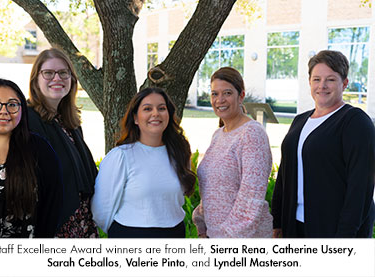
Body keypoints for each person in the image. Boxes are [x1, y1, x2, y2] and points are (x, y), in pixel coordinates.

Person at [272, 50, 375, 238]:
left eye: (331, 79)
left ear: (344, 83)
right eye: (317, 79)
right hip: (295, 225)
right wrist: (277, 221)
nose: (322, 86)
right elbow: (284, 173)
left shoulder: (355, 122)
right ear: (309, 82)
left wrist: (345, 236)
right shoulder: (299, 121)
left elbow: (360, 187)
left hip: (333, 229)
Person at [91, 87, 195, 238]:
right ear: (135, 118)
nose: (155, 113)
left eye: (161, 108)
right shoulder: (121, 156)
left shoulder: (180, 153)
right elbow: (101, 209)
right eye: (147, 109)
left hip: (174, 234)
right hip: (131, 236)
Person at [192, 67, 273, 238]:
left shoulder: (251, 134)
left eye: (227, 93)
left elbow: (251, 198)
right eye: (214, 94)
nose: (220, 100)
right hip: (214, 234)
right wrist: (202, 225)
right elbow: (213, 188)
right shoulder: (218, 134)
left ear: (241, 96)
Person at [0, 79, 62, 238]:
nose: (3, 111)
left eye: (12, 105)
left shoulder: (40, 149)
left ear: (22, 110)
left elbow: (52, 205)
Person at [27, 48, 98, 238]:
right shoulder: (27, 121)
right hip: (54, 226)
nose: (57, 78)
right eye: (48, 73)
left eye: (63, 73)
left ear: (72, 80)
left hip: (83, 224)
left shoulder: (71, 124)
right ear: (36, 80)